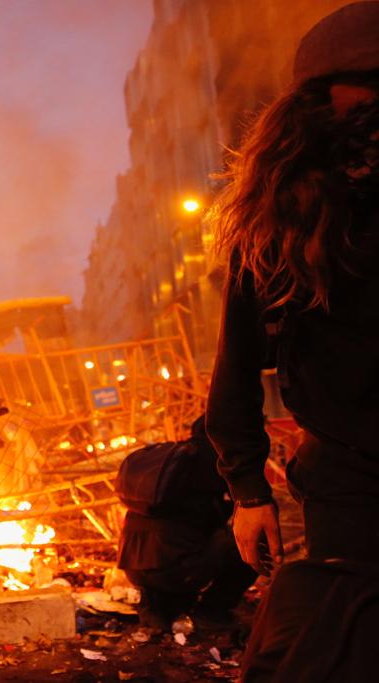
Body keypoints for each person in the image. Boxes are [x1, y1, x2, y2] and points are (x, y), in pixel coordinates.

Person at [206, 3, 379, 679]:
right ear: (319, 102)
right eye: (368, 85)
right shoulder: (279, 225)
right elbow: (235, 372)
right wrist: (248, 489)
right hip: (351, 505)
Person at [116, 416, 257, 631]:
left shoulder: (173, 459)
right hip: (174, 569)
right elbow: (238, 512)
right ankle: (212, 611)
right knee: (251, 541)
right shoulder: (218, 460)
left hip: (133, 566)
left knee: (177, 537)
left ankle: (156, 607)